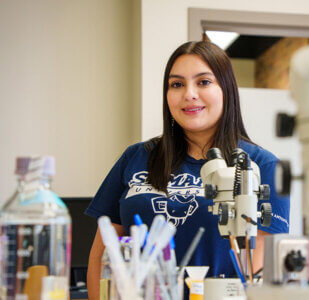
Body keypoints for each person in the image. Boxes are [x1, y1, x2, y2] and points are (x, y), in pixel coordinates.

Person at [85, 41, 290, 299]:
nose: (189, 94)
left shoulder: (263, 166)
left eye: (204, 82)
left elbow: (257, 272)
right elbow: (101, 256)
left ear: (226, 89)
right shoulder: (135, 158)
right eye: (177, 84)